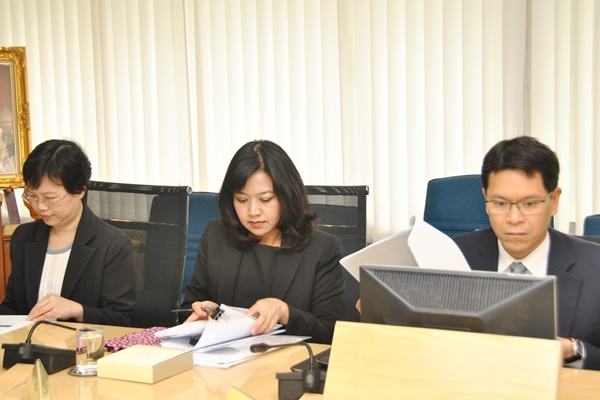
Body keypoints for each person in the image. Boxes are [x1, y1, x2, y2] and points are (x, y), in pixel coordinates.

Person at [452, 136, 600, 371]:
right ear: (485, 199)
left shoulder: (596, 267)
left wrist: (574, 350)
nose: (514, 218)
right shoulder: (451, 257)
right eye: (500, 204)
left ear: (553, 201)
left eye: (529, 204)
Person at [181, 140, 345, 344]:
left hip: (290, 361)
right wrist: (202, 312)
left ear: (288, 196)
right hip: (222, 359)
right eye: (242, 200)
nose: (253, 211)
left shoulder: (323, 249)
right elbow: (187, 307)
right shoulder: (215, 235)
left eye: (265, 199)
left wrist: (285, 312)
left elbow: (331, 333)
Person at [0, 139, 136, 326]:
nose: (40, 206)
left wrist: (78, 310)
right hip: (30, 343)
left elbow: (121, 319)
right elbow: (12, 307)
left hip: (82, 343)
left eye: (50, 198)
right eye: (32, 196)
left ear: (80, 190)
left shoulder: (112, 244)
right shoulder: (23, 237)